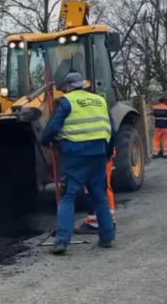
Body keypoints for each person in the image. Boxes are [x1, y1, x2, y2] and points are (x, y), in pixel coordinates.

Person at [40, 72, 117, 254]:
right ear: (83, 84)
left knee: (67, 197)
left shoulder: (67, 102)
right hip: (98, 154)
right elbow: (112, 129)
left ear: (68, 86)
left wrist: (45, 141)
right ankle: (107, 237)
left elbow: (54, 127)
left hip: (75, 156)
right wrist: (107, 151)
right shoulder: (99, 101)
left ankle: (61, 242)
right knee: (99, 197)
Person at [77, 147, 116, 234]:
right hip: (101, 151)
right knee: (104, 185)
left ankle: (95, 221)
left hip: (94, 152)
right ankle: (107, 219)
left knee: (96, 186)